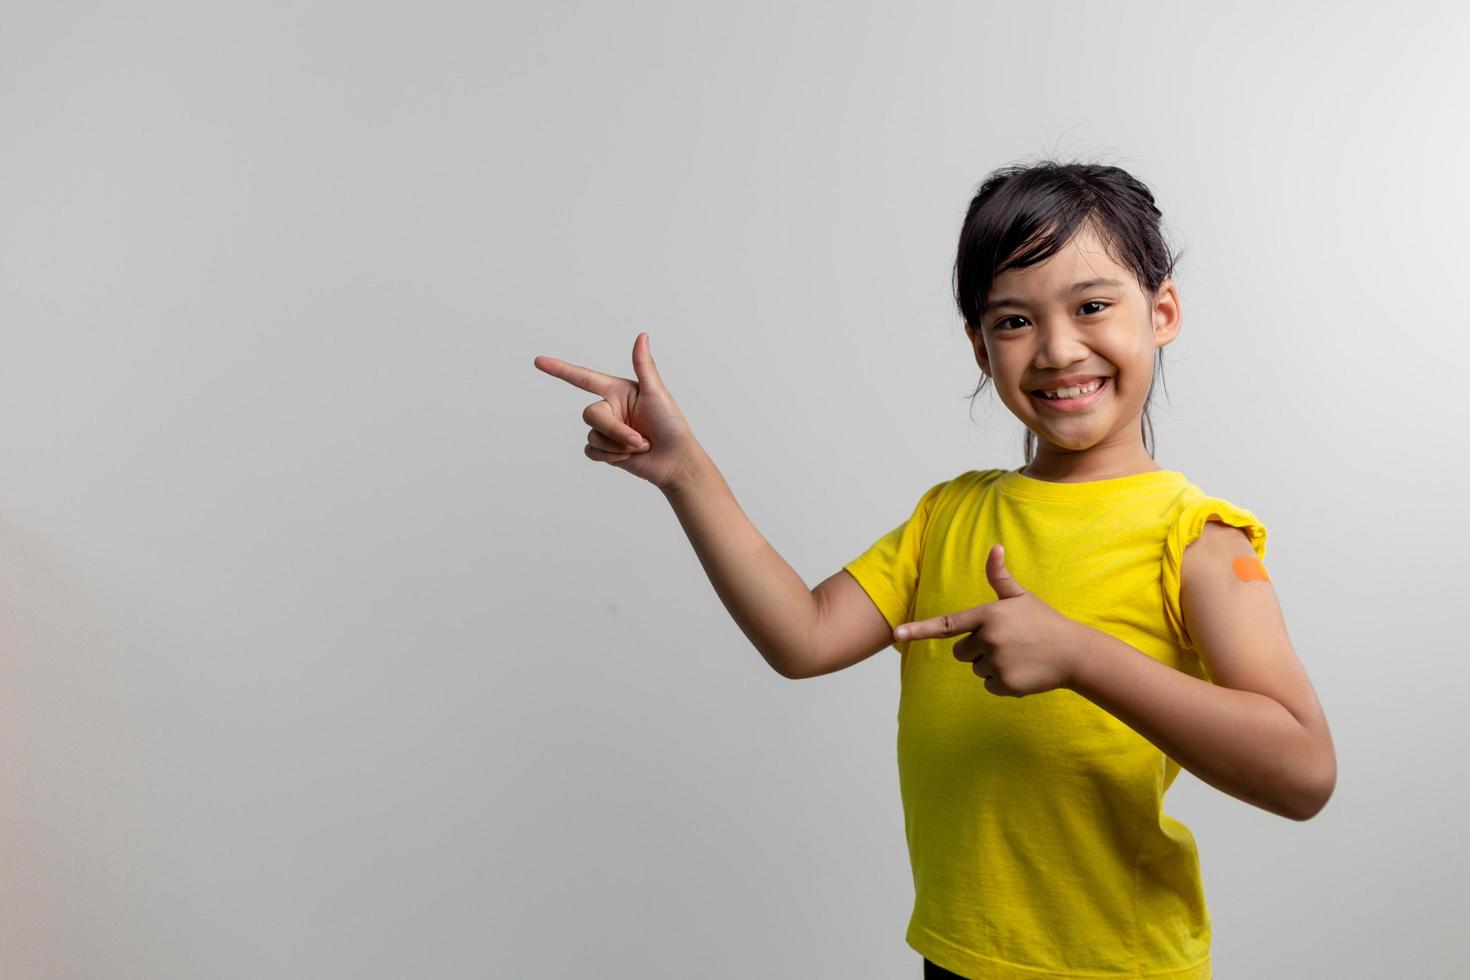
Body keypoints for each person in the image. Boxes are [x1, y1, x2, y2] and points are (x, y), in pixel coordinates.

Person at [533, 159, 1336, 979]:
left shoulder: (1198, 542)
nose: (1059, 349)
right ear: (981, 349)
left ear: (1161, 311)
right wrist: (684, 471)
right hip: (955, 959)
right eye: (1014, 320)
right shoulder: (948, 517)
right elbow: (802, 638)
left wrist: (1078, 655)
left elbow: (1304, 773)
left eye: (1092, 306)